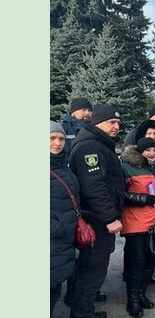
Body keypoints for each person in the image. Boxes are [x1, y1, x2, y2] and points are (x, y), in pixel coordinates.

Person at [68, 104, 126, 318]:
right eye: (112, 122)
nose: (116, 126)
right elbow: (93, 186)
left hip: (96, 217)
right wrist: (111, 218)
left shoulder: (98, 143)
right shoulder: (90, 147)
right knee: (93, 268)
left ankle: (77, 301)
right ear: (97, 123)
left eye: (118, 123)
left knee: (88, 265)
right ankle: (83, 312)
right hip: (96, 220)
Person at [120, 138, 155, 316]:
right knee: (137, 261)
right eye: (147, 150)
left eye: (154, 150)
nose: (151, 153)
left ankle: (141, 293)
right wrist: (143, 199)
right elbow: (120, 193)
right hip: (135, 221)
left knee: (150, 260)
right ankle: (132, 299)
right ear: (139, 152)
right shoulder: (127, 167)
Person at [50, 122, 79, 317]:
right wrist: (56, 228)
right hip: (53, 238)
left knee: (53, 288)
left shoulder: (63, 166)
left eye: (60, 138)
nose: (57, 143)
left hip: (63, 242)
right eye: (51, 138)